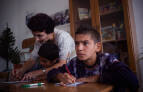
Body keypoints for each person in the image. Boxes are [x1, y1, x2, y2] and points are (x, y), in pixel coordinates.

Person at [47, 25, 139, 92]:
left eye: (85, 43)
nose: (79, 48)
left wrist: (97, 78)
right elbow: (51, 73)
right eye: (77, 43)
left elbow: (132, 80)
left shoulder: (107, 60)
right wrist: (60, 77)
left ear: (97, 47)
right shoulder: (74, 62)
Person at [11, 13, 76, 80]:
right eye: (34, 35)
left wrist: (40, 72)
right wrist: (22, 70)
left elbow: (62, 64)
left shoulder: (64, 37)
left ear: (50, 32)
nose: (36, 39)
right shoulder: (40, 40)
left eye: (39, 35)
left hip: (70, 69)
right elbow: (32, 59)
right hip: (54, 71)